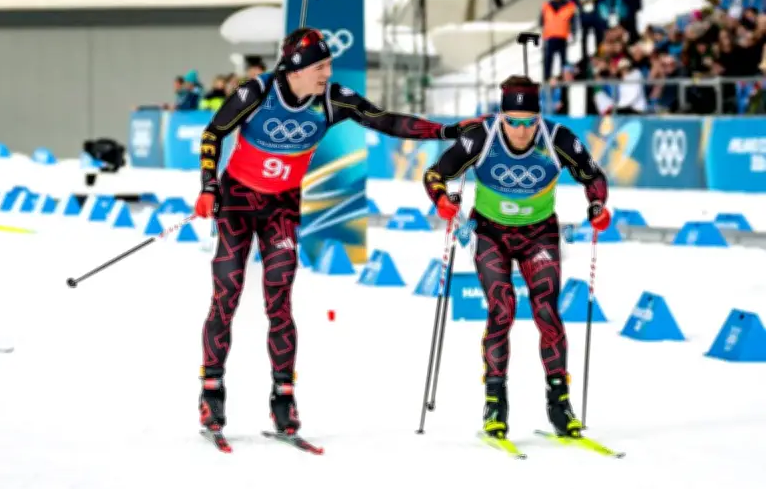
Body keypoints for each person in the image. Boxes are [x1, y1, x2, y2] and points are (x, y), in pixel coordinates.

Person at [195, 27, 458, 438]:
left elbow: (385, 120)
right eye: (319, 66)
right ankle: (212, 391)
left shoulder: (332, 99)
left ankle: (283, 398)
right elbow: (213, 133)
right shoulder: (257, 92)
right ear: (295, 69)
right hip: (237, 202)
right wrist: (209, 186)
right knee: (227, 291)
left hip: (281, 207)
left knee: (278, 299)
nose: (326, 73)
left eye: (329, 65)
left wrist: (445, 132)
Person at [422, 75, 610, 440]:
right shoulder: (481, 137)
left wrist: (598, 205)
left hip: (539, 234)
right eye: (514, 122)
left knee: (547, 311)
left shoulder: (558, 139)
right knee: (502, 308)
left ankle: (560, 404)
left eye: (529, 123)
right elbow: (435, 174)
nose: (522, 132)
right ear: (501, 116)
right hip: (490, 234)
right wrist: (442, 200)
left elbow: (593, 176)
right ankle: (495, 402)